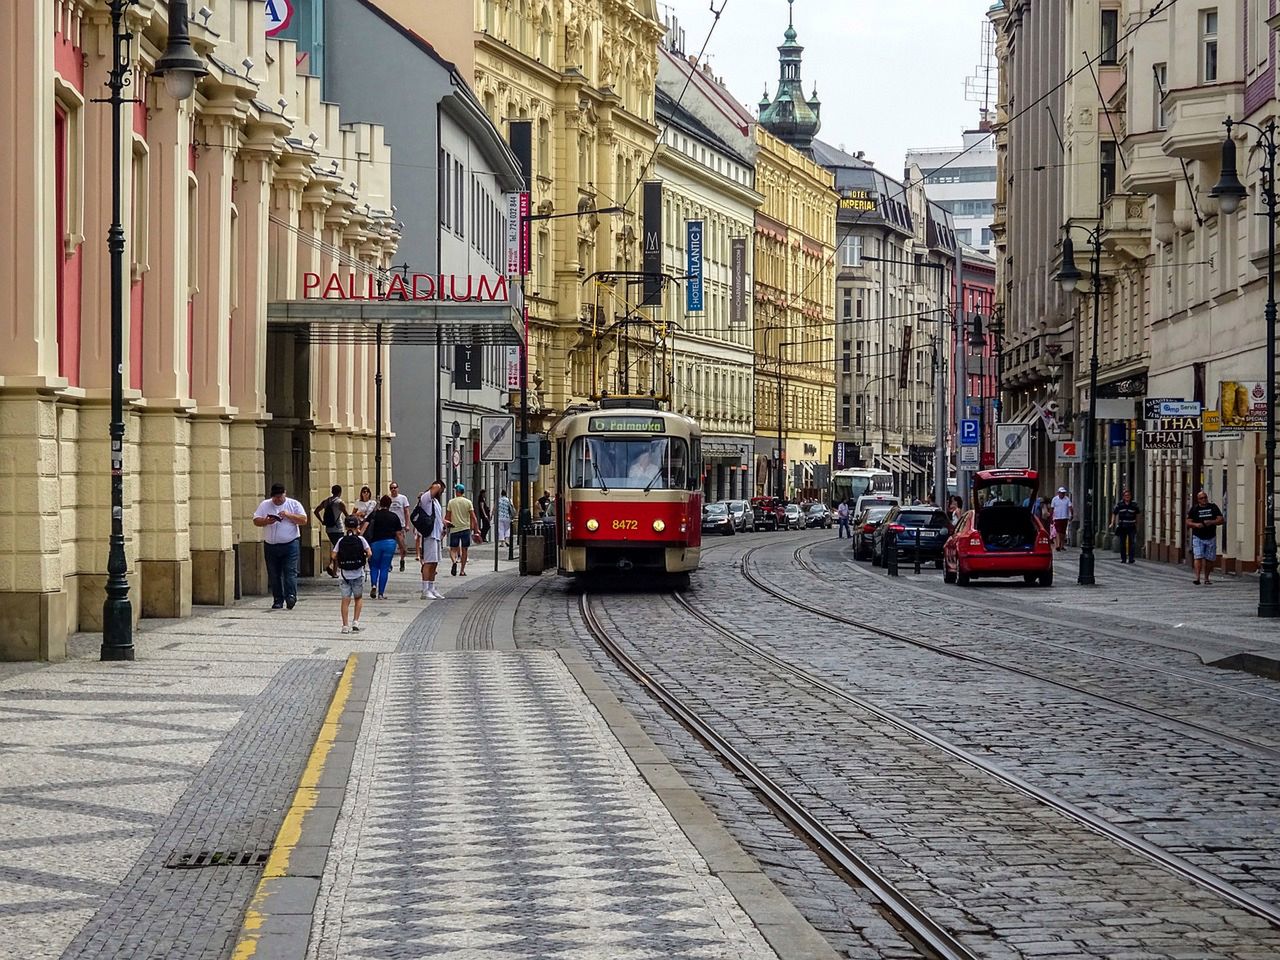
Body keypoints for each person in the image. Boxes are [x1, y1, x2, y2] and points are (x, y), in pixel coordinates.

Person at [252, 483, 309, 610]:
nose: (277, 499)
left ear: (285, 494)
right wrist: (266, 521)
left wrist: (289, 515)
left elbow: (304, 520)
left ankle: (291, 596)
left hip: (290, 544)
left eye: (280, 497)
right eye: (275, 497)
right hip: (270, 545)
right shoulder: (265, 504)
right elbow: (256, 520)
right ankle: (278, 599)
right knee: (273, 573)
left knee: (290, 572)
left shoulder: (293, 504)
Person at [331, 514, 371, 634]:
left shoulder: (341, 540)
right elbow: (369, 553)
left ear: (345, 526)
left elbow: (333, 555)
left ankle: (345, 625)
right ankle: (356, 621)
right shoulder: (361, 540)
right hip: (358, 573)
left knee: (345, 600)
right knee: (358, 598)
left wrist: (341, 558)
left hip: (345, 575)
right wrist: (363, 557)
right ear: (357, 526)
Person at [363, 495, 405, 599]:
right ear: (390, 504)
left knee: (374, 566)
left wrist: (360, 540)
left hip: (375, 544)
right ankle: (381, 594)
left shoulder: (374, 515)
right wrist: (402, 547)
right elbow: (399, 534)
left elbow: (364, 528)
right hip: (389, 544)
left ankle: (373, 585)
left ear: (380, 504)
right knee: (384, 568)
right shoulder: (394, 516)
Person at [413, 480, 446, 599]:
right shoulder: (426, 499)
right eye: (442, 490)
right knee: (428, 562)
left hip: (437, 535)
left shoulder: (435, 501)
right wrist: (434, 487)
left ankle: (431, 587)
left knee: (435, 563)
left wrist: (445, 524)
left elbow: (438, 518)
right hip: (429, 536)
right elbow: (436, 487)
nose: (441, 492)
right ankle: (425, 589)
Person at [1187, 490, 1224, 585]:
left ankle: (1207, 578)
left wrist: (1211, 522)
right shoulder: (1194, 509)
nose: (1204, 499)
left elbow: (1221, 519)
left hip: (1211, 536)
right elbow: (1188, 522)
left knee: (1209, 559)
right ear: (1198, 500)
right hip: (1198, 536)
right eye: (1201, 498)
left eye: (1205, 497)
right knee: (1198, 557)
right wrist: (1196, 525)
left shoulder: (1213, 507)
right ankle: (1197, 578)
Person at [445, 483, 481, 576]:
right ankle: (462, 570)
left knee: (453, 549)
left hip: (454, 529)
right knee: (464, 550)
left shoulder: (451, 502)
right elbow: (473, 517)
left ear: (456, 492)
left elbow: (447, 517)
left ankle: (454, 561)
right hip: (465, 528)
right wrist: (476, 530)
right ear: (463, 492)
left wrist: (445, 527)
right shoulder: (468, 502)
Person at [313, 484, 348, 578]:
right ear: (340, 492)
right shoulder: (340, 503)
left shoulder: (326, 501)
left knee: (335, 547)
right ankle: (332, 568)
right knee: (337, 549)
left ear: (332, 491)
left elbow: (316, 511)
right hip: (338, 528)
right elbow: (347, 515)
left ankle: (334, 570)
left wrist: (322, 521)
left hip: (329, 529)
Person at [1111, 489, 1141, 564]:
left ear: (1130, 496)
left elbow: (1137, 514)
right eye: (1126, 496)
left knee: (1132, 543)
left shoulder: (1134, 504)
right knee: (1122, 543)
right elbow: (1114, 513)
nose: (1127, 497)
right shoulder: (1120, 504)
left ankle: (1131, 558)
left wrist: (1137, 524)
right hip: (1122, 526)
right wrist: (1112, 523)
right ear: (1123, 497)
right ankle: (1123, 559)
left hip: (1131, 526)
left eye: (1128, 496)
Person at [387, 481, 412, 571]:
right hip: (389, 526)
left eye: (395, 488)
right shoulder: (388, 498)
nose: (393, 490)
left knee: (402, 545)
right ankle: (389, 563)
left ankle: (402, 560)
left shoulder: (402, 498)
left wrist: (407, 524)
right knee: (390, 546)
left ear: (398, 488)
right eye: (391, 488)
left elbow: (406, 512)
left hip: (400, 525)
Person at [1049, 486, 1073, 551]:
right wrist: (1051, 517)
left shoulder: (1067, 499)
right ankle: (1057, 545)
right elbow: (1052, 508)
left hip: (1065, 517)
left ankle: (1062, 545)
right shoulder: (1054, 499)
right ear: (1058, 493)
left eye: (1063, 493)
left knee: (1063, 532)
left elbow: (1070, 507)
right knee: (1057, 531)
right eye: (1061, 493)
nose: (1062, 494)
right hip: (1057, 518)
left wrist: (1071, 515)